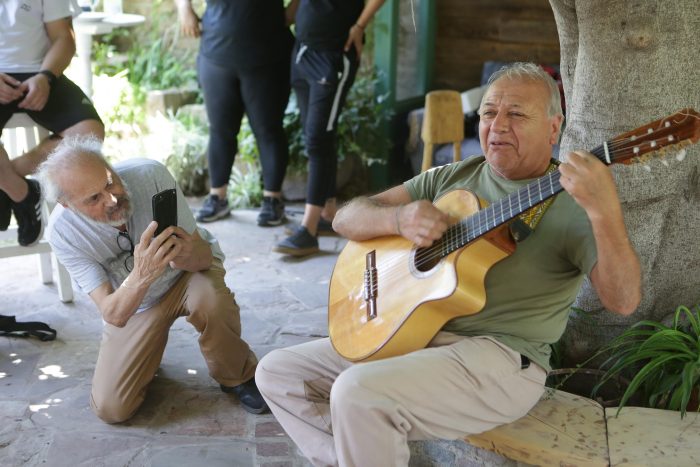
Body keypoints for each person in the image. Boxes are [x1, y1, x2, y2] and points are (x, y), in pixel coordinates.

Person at [256, 63, 642, 466]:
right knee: (278, 374)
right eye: (489, 112)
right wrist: (398, 220)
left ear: (553, 128)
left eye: (516, 114)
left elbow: (624, 300)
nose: (498, 125)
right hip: (416, 338)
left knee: (356, 393)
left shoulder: (575, 204)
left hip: (500, 360)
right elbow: (344, 219)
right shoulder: (453, 177)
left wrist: (605, 211)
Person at [36, 136, 267, 423]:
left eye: (109, 182)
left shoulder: (150, 174)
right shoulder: (63, 233)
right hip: (135, 302)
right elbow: (113, 313)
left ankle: (237, 375)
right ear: (67, 204)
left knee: (211, 299)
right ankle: (147, 358)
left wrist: (181, 254)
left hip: (186, 276)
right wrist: (141, 275)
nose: (111, 198)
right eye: (93, 199)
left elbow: (205, 259)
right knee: (112, 408)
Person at [273, 0, 386, 257]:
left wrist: (359, 25)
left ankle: (308, 230)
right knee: (318, 134)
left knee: (318, 138)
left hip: (333, 55)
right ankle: (326, 213)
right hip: (303, 51)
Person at [174, 0, 294, 226]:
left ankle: (273, 200)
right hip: (216, 53)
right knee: (220, 130)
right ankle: (217, 197)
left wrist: (294, 8)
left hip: (268, 54)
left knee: (268, 130)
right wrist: (184, 7)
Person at [0, 0, 104, 246]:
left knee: (89, 135)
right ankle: (21, 192)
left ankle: (8, 179)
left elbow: (63, 38)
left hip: (41, 72)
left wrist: (45, 77)